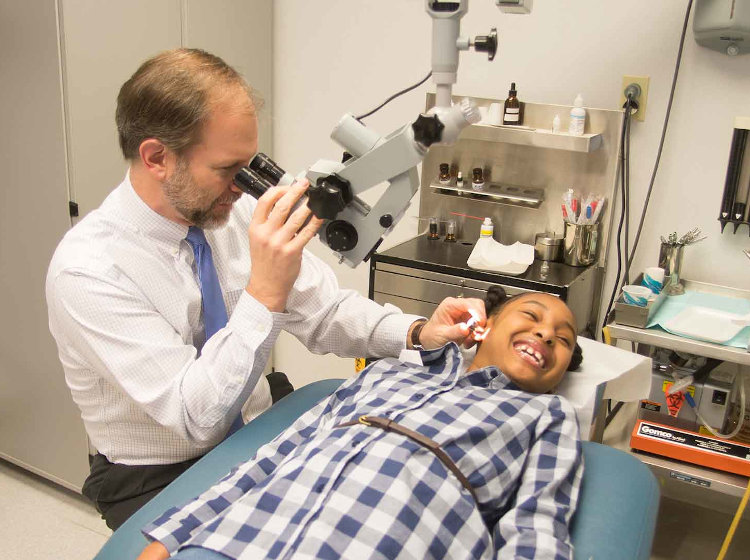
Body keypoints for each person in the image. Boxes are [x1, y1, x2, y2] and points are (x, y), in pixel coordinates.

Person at [45, 48, 484, 531]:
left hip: (256, 418)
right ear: (157, 158)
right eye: (228, 169)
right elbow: (195, 417)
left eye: (251, 164)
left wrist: (418, 332)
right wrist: (265, 292)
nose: (244, 185)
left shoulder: (230, 211)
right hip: (158, 470)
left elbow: (325, 312)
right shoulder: (88, 271)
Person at [137, 287, 584, 560]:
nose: (546, 335)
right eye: (531, 316)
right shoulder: (387, 372)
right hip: (247, 537)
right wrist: (175, 535)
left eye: (563, 340)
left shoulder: (545, 415)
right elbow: (276, 456)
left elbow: (538, 527)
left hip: (378, 543)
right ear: (486, 325)